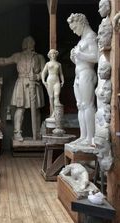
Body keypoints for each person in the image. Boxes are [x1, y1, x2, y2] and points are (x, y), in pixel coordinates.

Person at [0, 36, 45, 141]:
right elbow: (5, 60)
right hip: (22, 83)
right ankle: (17, 132)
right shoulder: (18, 56)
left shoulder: (39, 57)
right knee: (20, 109)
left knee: (36, 110)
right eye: (27, 42)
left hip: (34, 84)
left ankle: (37, 133)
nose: (29, 43)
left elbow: (45, 72)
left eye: (31, 42)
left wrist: (37, 76)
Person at [67, 13, 98, 145]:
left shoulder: (91, 36)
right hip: (79, 74)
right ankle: (83, 135)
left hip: (87, 73)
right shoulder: (81, 40)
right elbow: (82, 60)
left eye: (75, 28)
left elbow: (96, 57)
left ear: (82, 23)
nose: (74, 31)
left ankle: (90, 137)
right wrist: (74, 58)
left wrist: (80, 54)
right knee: (80, 106)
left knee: (88, 105)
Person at [41, 49, 64, 118]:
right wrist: (43, 80)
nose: (53, 55)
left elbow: (61, 74)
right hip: (49, 81)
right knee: (51, 97)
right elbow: (43, 73)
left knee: (56, 95)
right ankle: (53, 112)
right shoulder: (47, 64)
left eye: (54, 53)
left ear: (56, 54)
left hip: (57, 81)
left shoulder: (59, 64)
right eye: (51, 54)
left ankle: (55, 113)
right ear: (49, 55)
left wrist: (62, 81)